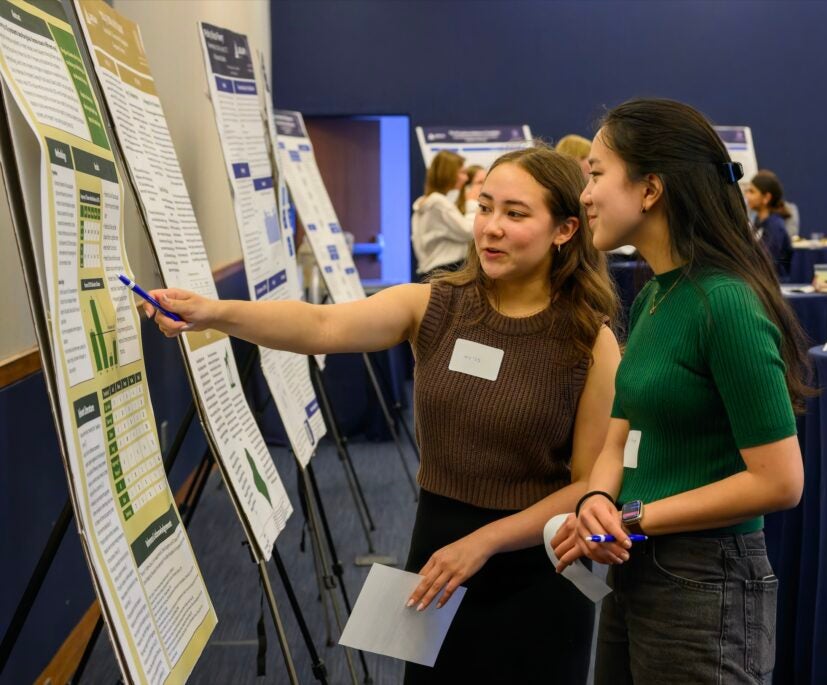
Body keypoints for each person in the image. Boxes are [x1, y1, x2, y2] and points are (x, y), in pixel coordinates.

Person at [145, 146, 621, 684]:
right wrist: (212, 312)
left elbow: (587, 485)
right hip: (439, 550)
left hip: (537, 567)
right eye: (484, 207)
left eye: (515, 214)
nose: (490, 228)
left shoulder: (590, 341)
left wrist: (485, 541)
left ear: (564, 230)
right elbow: (320, 326)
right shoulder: (436, 305)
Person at [551, 98, 808, 684]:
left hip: (706, 579)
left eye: (595, 174)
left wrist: (635, 516)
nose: (584, 194)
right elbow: (619, 438)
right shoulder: (652, 297)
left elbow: (780, 480)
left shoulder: (727, 303)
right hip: (635, 562)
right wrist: (596, 503)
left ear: (650, 190)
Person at [412, 150, 472, 275]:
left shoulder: (422, 205)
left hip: (430, 270)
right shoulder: (439, 203)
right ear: (449, 174)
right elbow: (468, 231)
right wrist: (476, 207)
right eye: (462, 173)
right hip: (447, 270)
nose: (466, 178)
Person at [745, 169, 793, 279]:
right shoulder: (757, 221)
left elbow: (765, 260)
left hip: (774, 286)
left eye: (752, 192)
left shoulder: (775, 226)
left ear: (766, 198)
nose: (747, 195)